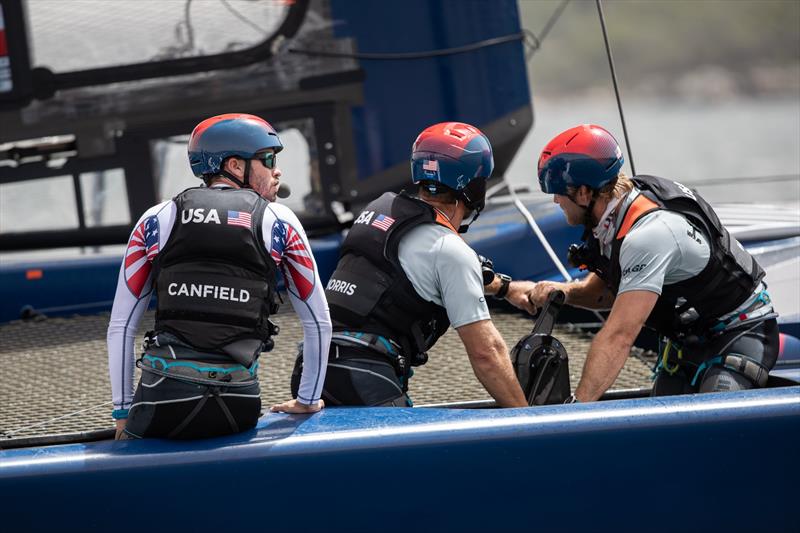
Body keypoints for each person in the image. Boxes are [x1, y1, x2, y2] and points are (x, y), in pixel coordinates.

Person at [107, 113, 331, 439]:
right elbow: (319, 322)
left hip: (161, 399)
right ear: (235, 166)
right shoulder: (280, 221)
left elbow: (121, 326)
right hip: (236, 404)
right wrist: (308, 400)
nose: (276, 169)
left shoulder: (156, 219)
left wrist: (123, 413)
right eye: (267, 159)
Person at [291, 122, 535, 407]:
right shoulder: (450, 250)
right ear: (475, 187)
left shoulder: (382, 215)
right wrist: (527, 421)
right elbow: (486, 354)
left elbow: (420, 272)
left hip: (309, 369)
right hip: (363, 375)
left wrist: (508, 289)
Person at [529, 124, 778, 402]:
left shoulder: (648, 235)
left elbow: (619, 336)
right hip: (687, 338)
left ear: (585, 193)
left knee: (708, 435)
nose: (555, 199)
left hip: (737, 332)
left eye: (559, 191)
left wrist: (573, 414)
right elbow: (605, 294)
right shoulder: (617, 212)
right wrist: (560, 291)